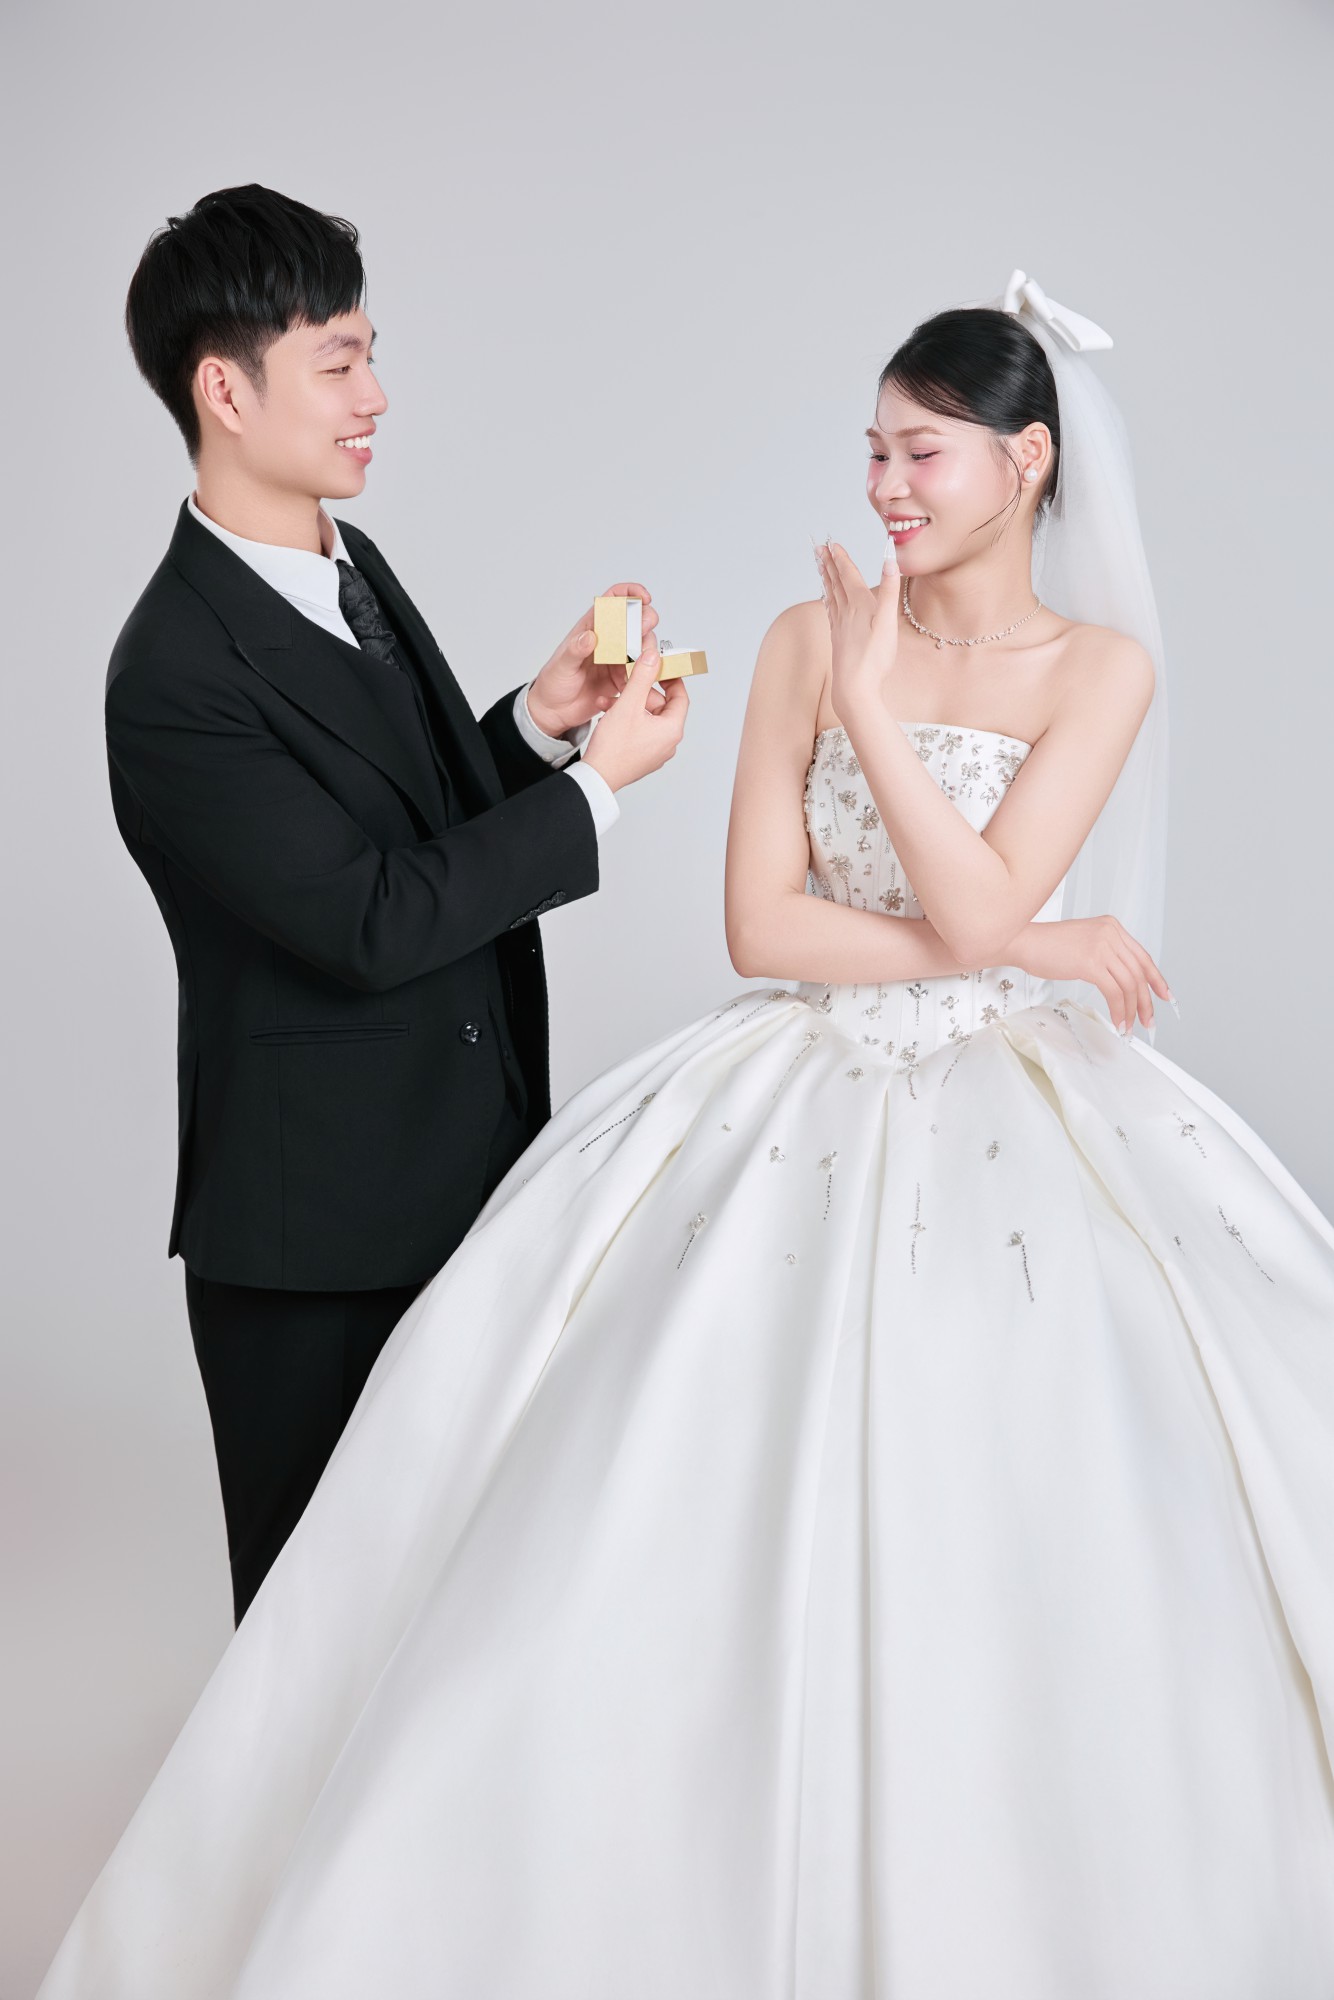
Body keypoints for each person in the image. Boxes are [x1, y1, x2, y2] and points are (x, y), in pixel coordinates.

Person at [38, 271, 1334, 1997]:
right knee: (530, 1529)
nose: (884, 483)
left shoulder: (1098, 667)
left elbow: (972, 908)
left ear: (1026, 463)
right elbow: (757, 927)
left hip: (1003, 1111)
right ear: (227, 387)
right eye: (873, 449)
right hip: (700, 1103)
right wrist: (1007, 919)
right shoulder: (786, 639)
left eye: (922, 452)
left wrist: (593, 733)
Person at [103, 183, 687, 1626]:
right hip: (316, 1240)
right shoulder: (173, 671)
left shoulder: (348, 561)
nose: (376, 398)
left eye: (372, 356)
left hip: (458, 1176)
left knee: (463, 1616)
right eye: (340, 363)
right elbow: (366, 919)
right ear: (225, 391)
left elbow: (390, 827)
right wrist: (597, 793)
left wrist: (537, 725)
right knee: (322, 1628)